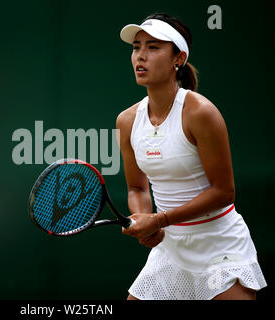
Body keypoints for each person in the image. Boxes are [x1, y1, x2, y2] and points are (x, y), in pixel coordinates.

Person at [116, 13, 267, 300]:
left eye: (154, 47)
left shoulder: (201, 112)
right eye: (137, 47)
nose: (141, 56)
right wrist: (144, 217)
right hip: (170, 248)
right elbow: (137, 187)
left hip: (219, 245)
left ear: (178, 58)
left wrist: (159, 220)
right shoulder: (126, 121)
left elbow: (224, 192)